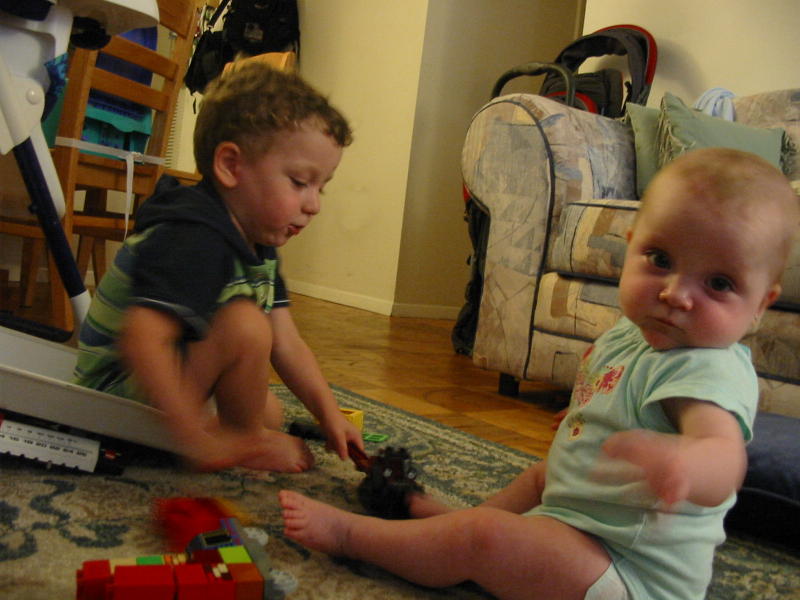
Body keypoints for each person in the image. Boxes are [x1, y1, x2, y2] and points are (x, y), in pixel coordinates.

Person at [279, 147, 800, 600]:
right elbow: (613, 392)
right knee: (540, 476)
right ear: (631, 244)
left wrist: (684, 465)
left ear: (760, 305)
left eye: (719, 283)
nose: (675, 294)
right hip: (578, 528)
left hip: (628, 574)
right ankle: (450, 530)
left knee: (485, 539)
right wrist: (585, 415)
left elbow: (724, 455)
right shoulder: (633, 332)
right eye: (660, 258)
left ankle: (356, 538)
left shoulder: (706, 368)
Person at [72, 63, 363, 473]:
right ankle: (237, 438)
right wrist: (197, 442)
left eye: (322, 187)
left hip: (160, 382)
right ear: (230, 165)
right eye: (300, 182)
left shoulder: (258, 243)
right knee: (246, 325)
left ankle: (235, 432)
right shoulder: (193, 235)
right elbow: (142, 340)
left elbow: (288, 343)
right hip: (112, 399)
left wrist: (328, 414)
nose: (314, 204)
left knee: (270, 411)